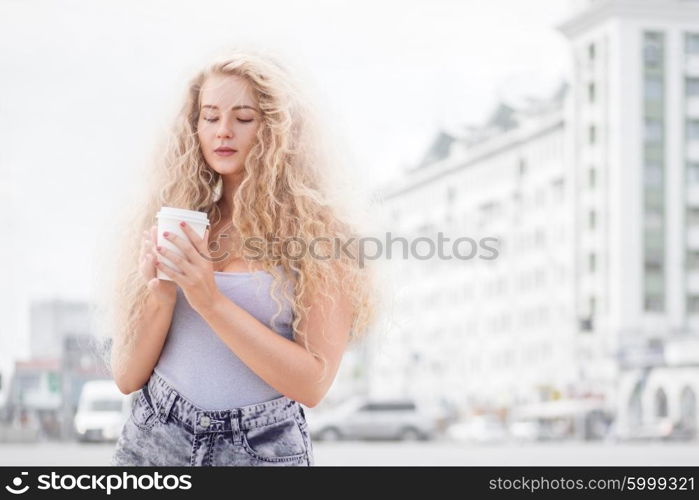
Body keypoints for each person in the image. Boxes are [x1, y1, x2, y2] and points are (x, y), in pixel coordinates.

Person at [105, 48, 379, 466]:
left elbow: (313, 384)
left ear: (277, 129)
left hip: (260, 448)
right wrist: (160, 294)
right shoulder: (185, 221)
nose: (223, 132)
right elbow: (127, 378)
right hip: (155, 435)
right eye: (210, 117)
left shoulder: (323, 237)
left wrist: (209, 300)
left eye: (244, 118)